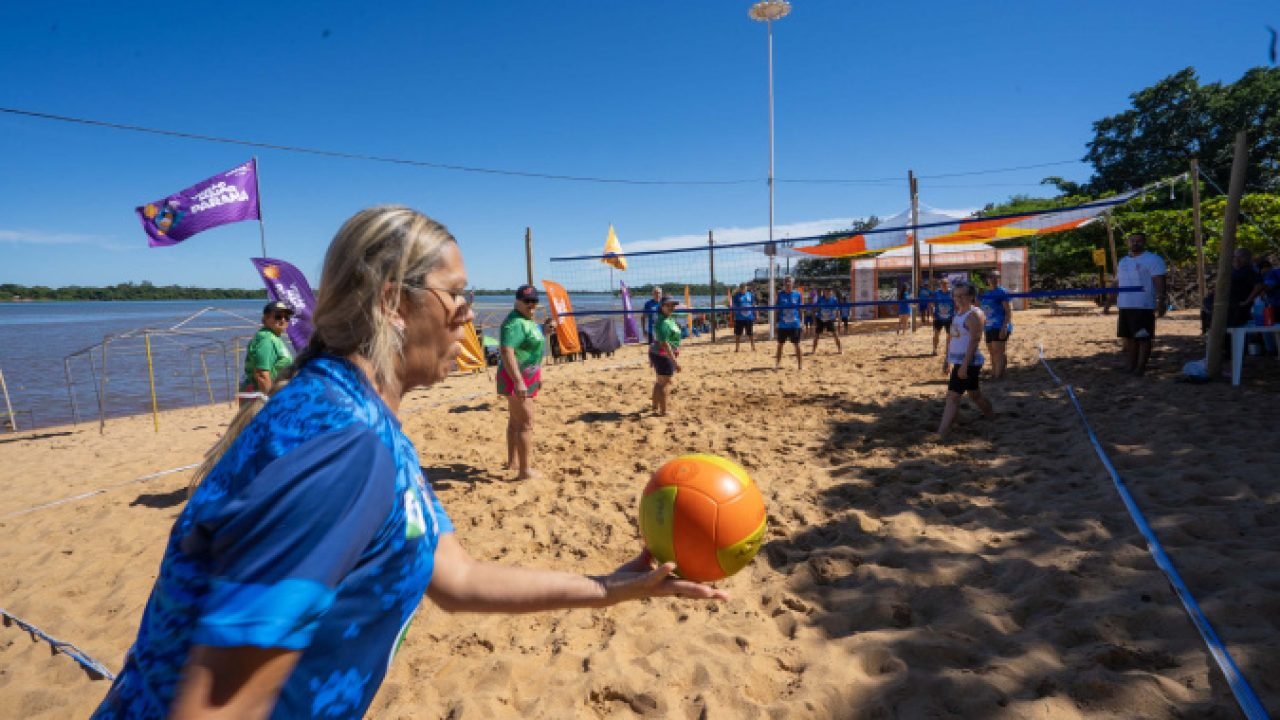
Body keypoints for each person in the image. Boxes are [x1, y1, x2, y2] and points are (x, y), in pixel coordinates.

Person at [93, 206, 726, 720]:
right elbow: (217, 709)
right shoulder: (342, 444)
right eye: (458, 294)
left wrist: (613, 587)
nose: (470, 313)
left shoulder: (369, 423)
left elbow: (459, 580)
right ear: (394, 302)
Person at [498, 285, 546, 480]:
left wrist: (545, 331)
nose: (531, 304)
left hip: (527, 375)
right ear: (517, 301)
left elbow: (529, 347)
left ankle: (513, 463)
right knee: (525, 423)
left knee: (515, 421)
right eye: (527, 301)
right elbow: (506, 351)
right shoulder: (514, 323)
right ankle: (525, 471)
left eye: (534, 301)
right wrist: (518, 381)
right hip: (517, 376)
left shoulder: (526, 319)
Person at [938, 281, 995, 436]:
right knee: (974, 394)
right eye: (956, 295)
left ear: (971, 296)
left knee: (953, 397)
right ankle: (991, 416)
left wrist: (964, 365)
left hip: (968, 362)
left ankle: (941, 432)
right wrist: (946, 359)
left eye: (963, 295)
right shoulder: (958, 313)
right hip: (958, 361)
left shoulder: (973, 315)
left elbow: (975, 341)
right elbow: (952, 338)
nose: (959, 298)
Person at [1114, 232, 1167, 376]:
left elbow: (1159, 282)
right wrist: (1109, 302)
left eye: (1139, 241)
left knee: (1143, 338)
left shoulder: (1153, 259)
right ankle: (1130, 366)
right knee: (1129, 338)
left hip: (1143, 305)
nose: (1135, 243)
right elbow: (1118, 282)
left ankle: (1140, 368)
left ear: (1144, 242)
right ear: (1127, 243)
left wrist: (1161, 301)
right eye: (1132, 241)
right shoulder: (1123, 261)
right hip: (1125, 304)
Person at [239, 300, 294, 404]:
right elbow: (262, 374)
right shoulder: (266, 339)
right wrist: (270, 403)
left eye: (286, 317)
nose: (283, 320)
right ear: (266, 318)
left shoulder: (274, 337)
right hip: (260, 396)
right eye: (278, 316)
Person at [649, 295, 683, 415]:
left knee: (660, 381)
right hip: (663, 355)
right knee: (666, 383)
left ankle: (654, 406)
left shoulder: (668, 318)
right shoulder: (662, 322)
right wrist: (675, 362)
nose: (671, 307)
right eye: (667, 305)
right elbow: (665, 344)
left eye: (673, 305)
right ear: (661, 306)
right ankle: (663, 411)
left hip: (659, 353)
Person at [980, 270, 1014, 380]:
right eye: (991, 277)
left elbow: (1008, 311)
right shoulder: (986, 293)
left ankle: (997, 377)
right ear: (987, 279)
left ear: (999, 279)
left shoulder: (1002, 292)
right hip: (988, 326)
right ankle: (995, 373)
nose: (993, 279)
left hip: (999, 325)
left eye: (996, 277)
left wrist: (1004, 326)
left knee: (998, 352)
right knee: (992, 352)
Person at [774, 276, 804, 370]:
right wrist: (776, 323)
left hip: (795, 324)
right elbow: (776, 311)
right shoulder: (780, 295)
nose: (787, 284)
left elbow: (800, 310)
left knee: (797, 344)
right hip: (783, 325)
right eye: (786, 282)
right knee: (780, 345)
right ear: (784, 283)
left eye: (789, 282)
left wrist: (802, 323)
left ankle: (800, 366)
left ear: (792, 283)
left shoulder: (797, 294)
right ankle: (777, 364)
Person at [810, 287, 843, 355]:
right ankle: (813, 350)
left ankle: (840, 350)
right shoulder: (820, 299)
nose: (828, 292)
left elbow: (837, 311)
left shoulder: (834, 300)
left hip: (829, 319)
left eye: (829, 291)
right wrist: (814, 320)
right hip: (820, 319)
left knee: (835, 334)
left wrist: (839, 321)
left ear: (831, 292)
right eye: (826, 291)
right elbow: (814, 310)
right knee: (816, 335)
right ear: (824, 292)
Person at [930, 278, 953, 356]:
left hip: (949, 318)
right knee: (936, 334)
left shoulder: (952, 293)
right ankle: (934, 349)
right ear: (940, 285)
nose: (944, 285)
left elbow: (957, 303)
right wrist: (932, 313)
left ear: (948, 284)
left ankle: (947, 350)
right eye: (943, 284)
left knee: (949, 335)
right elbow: (932, 303)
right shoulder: (937, 293)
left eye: (946, 284)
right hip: (938, 317)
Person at [732, 283, 756, 352]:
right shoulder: (737, 296)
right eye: (742, 288)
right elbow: (734, 306)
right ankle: (737, 348)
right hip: (739, 318)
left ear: (746, 288)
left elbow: (753, 304)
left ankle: (753, 347)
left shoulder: (750, 294)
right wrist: (735, 314)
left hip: (749, 317)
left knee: (750, 333)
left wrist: (756, 314)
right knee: (738, 334)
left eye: (744, 288)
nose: (743, 289)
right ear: (740, 288)